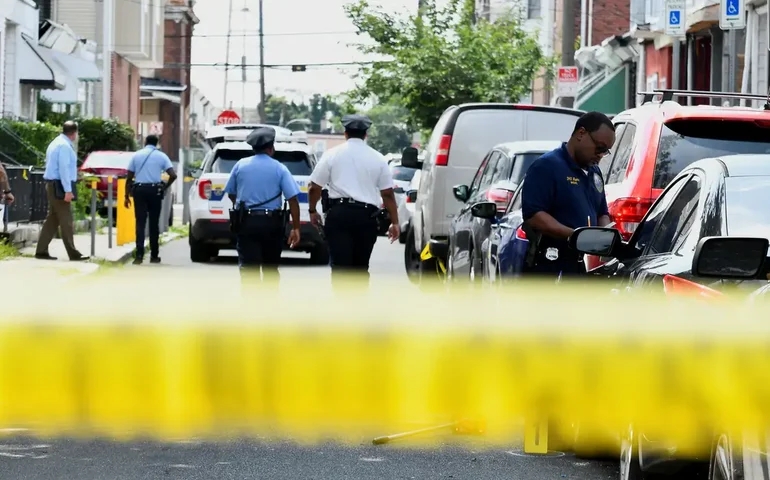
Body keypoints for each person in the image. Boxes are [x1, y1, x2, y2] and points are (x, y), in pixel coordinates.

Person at [307, 114, 400, 287]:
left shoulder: (331, 154)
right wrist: (395, 222)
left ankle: (342, 309)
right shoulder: (378, 158)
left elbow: (314, 187)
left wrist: (313, 211)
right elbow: (387, 194)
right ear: (366, 135)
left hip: (338, 216)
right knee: (360, 267)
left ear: (345, 133)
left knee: (340, 267)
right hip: (367, 218)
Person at [521, 111, 616, 279]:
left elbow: (602, 212)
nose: (600, 155)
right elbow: (534, 215)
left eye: (605, 152)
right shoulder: (547, 166)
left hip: (577, 265)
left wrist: (605, 235)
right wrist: (575, 236)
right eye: (599, 148)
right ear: (581, 133)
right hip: (548, 265)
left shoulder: (594, 172)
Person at [224, 127, 301, 286]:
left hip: (246, 222)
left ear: (253, 148)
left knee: (248, 268)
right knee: (271, 268)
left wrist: (241, 206)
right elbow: (293, 199)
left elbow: (231, 193)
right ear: (271, 148)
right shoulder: (280, 168)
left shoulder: (240, 165)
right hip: (272, 224)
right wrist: (296, 228)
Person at [35, 121, 88, 261]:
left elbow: (60, 168)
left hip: (53, 184)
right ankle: (73, 253)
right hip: (59, 186)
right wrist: (68, 190)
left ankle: (41, 250)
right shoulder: (64, 146)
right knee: (67, 220)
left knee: (52, 219)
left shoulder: (56, 142)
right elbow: (63, 169)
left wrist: (74, 177)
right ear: (74, 133)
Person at [124, 135, 177, 265]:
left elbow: (129, 178)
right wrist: (165, 186)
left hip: (139, 191)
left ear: (145, 142)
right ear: (157, 143)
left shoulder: (136, 156)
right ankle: (154, 255)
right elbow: (173, 175)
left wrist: (126, 196)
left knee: (140, 223)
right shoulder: (162, 156)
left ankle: (139, 256)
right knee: (154, 224)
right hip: (155, 191)